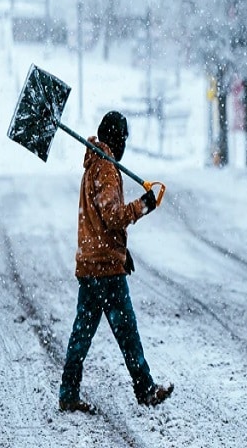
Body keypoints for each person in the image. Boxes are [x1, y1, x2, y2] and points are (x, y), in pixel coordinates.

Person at [58, 110, 173, 413]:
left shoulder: (93, 165)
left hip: (93, 262)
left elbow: (97, 220)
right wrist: (144, 205)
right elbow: (111, 216)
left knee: (82, 333)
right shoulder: (107, 168)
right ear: (117, 138)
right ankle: (145, 389)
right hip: (105, 271)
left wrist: (122, 251)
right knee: (127, 331)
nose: (124, 145)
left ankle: (68, 393)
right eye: (124, 138)